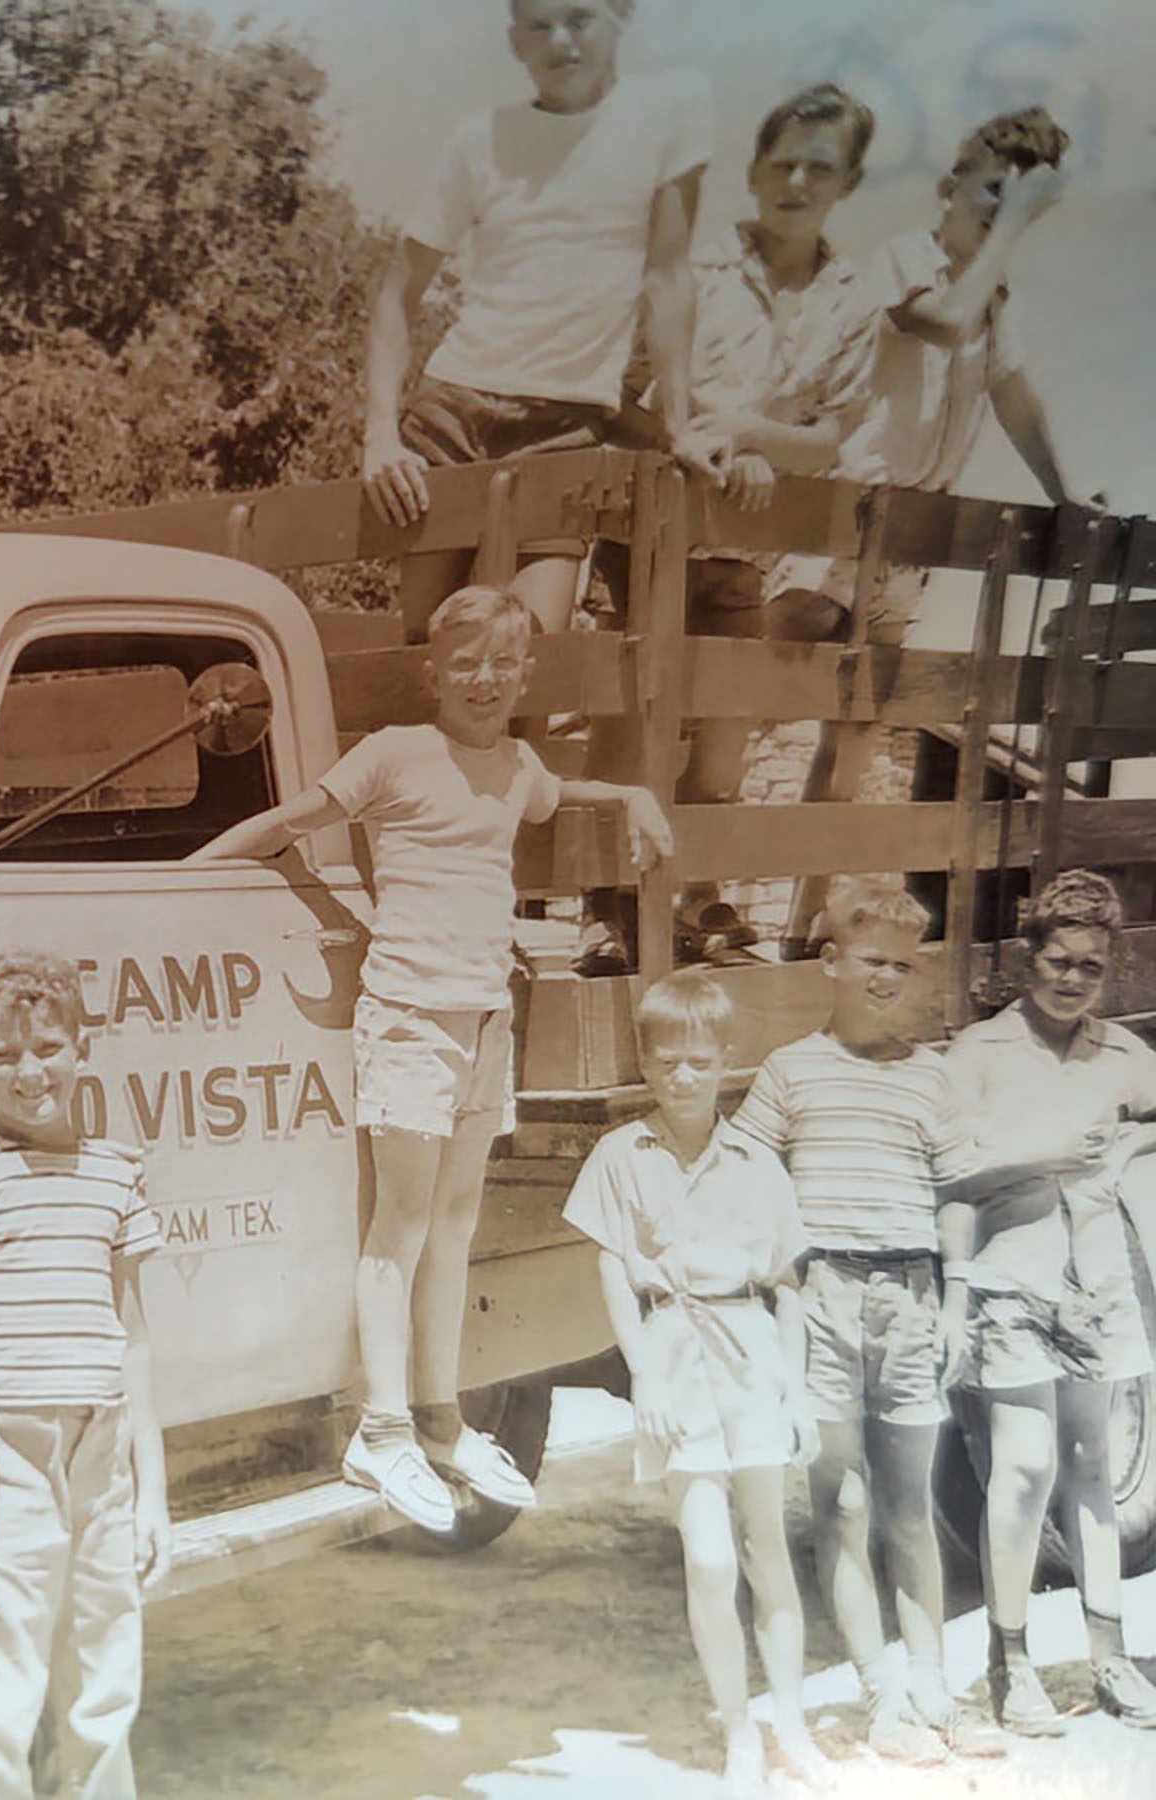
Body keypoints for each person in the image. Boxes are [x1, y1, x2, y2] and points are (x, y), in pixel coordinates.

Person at [193, 584, 672, 1532]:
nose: (484, 681)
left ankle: (442, 1420)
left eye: (503, 663)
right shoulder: (396, 755)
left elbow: (555, 794)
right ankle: (380, 1431)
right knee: (398, 1231)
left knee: (455, 1228)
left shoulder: (520, 766)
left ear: (525, 673)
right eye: (465, 665)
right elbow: (294, 819)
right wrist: (185, 878)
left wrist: (633, 794)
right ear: (434, 673)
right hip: (408, 1017)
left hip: (485, 1019)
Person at [778, 105, 1082, 955]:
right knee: (751, 699)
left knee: (850, 747)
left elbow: (1012, 395)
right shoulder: (906, 262)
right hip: (838, 516)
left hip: (907, 545)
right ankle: (692, 904)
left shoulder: (995, 298)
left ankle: (802, 932)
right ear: (949, 187)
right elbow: (942, 321)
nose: (996, 214)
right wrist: (1016, 225)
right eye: (989, 194)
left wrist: (1063, 494)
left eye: (1012, 203)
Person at [593, 82, 882, 971]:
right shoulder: (692, 271)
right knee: (627, 730)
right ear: (753, 170)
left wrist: (749, 438)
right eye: (780, 161)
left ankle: (694, 906)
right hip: (644, 536)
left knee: (719, 746)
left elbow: (830, 436)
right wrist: (696, 444)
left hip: (738, 557)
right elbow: (615, 392)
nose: (796, 180)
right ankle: (604, 914)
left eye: (819, 167)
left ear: (850, 182)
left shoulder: (851, 304)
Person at [362, 0, 726, 645]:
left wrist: (677, 428)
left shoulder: (670, 113)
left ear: (620, 17)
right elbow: (398, 291)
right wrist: (380, 436)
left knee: (532, 650)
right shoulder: (479, 140)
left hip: (562, 427)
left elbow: (669, 276)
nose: (560, 40)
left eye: (580, 17)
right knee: (426, 645)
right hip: (453, 411)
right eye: (538, 25)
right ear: (515, 43)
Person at [731, 883, 992, 1762]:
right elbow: (749, 1188)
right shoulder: (789, 1071)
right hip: (823, 1299)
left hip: (913, 1300)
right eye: (871, 959)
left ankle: (934, 1687)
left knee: (910, 1507)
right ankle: (881, 1697)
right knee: (841, 1505)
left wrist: (957, 1301)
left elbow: (956, 1196)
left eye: (903, 965)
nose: (888, 978)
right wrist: (775, 1305)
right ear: (831, 963)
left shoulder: (930, 1075)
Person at [563, 972, 829, 1794]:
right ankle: (737, 1731)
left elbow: (786, 1284)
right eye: (669, 1060)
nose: (684, 1077)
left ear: (726, 1064)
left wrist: (794, 1390)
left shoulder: (756, 1160)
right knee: (709, 1558)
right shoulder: (621, 1154)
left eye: (701, 1062)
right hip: (674, 1355)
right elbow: (613, 1267)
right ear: (645, 1063)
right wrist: (643, 1371)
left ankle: (789, 1724)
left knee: (767, 1551)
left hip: (750, 1354)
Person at [941, 869, 1156, 1734]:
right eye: (1058, 960)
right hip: (1012, 1279)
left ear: (1112, 972)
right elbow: (950, 1181)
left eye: (1091, 968)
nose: (1071, 979)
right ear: (1026, 957)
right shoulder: (980, 1056)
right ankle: (1013, 1664)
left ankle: (1111, 1659)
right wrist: (956, 1287)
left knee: (1094, 1468)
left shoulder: (1124, 1056)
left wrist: (1132, 1140)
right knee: (1025, 1470)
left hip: (1098, 1278)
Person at [0, 948, 168, 1800]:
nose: (29, 1071)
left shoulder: (117, 1171)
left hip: (102, 1441)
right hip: (6, 1436)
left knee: (104, 1636)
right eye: (4, 1056)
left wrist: (152, 1487)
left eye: (47, 1046)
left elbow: (136, 1338)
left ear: (81, 1048)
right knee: (6, 1645)